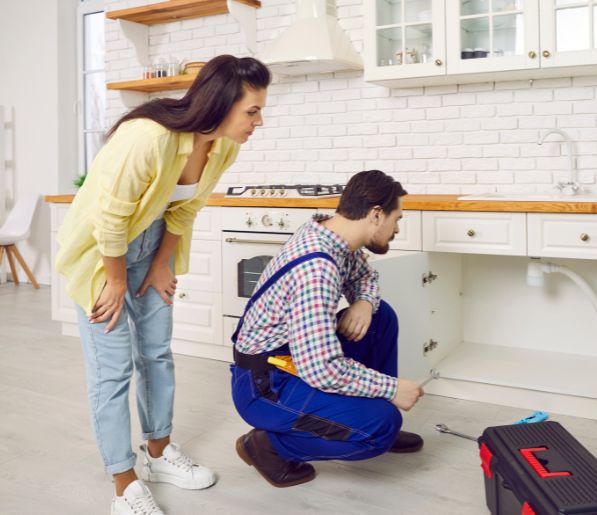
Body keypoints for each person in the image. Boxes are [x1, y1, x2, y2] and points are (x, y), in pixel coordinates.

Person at [55, 55, 271, 515]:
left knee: (155, 352)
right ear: (222, 102)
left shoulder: (222, 145)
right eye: (252, 110)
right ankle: (123, 482)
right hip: (102, 254)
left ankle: (158, 454)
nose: (259, 121)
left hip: (152, 246)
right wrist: (114, 280)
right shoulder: (148, 137)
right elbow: (109, 220)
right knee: (112, 370)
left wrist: (160, 263)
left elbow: (185, 209)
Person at [231, 169, 425, 488]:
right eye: (397, 219)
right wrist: (391, 387)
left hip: (292, 358)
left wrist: (363, 302)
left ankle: (370, 411)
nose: (396, 229)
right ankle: (268, 446)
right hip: (266, 386)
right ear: (376, 215)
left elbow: (366, 278)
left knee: (379, 317)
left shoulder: (332, 236)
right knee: (380, 428)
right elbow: (322, 369)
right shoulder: (316, 270)